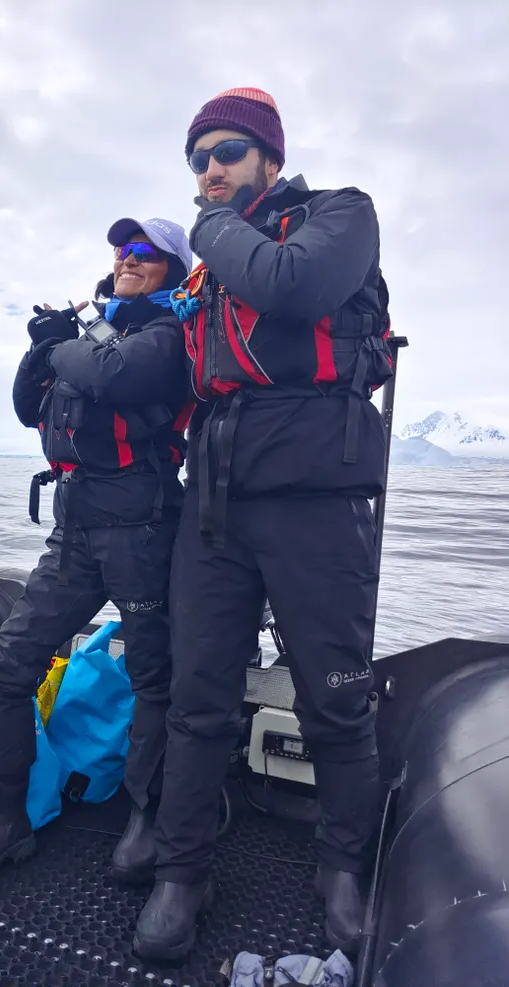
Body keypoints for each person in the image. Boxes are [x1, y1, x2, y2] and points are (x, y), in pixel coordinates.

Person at [133, 87, 393, 961]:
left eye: (227, 153)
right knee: (198, 696)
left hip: (317, 504)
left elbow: (298, 285)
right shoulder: (206, 279)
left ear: (270, 162)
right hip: (213, 512)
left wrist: (207, 229)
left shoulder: (340, 217)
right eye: (198, 158)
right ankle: (181, 870)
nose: (208, 172)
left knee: (336, 699)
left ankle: (343, 864)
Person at [0, 216, 193, 884]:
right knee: (10, 664)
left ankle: (145, 823)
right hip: (74, 534)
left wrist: (64, 343)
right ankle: (2, 818)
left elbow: (113, 371)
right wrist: (45, 345)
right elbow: (31, 405)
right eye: (119, 250)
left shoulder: (169, 334)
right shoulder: (100, 331)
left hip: (142, 532)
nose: (126, 258)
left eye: (144, 252)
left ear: (172, 267)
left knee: (154, 680)